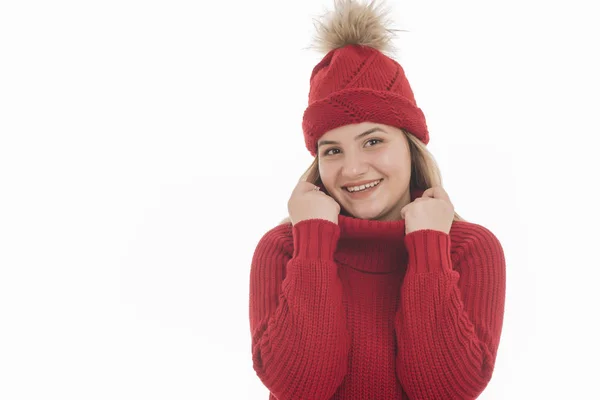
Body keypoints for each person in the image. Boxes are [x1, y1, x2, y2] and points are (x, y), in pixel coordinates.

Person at [248, 1, 506, 399]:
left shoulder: (468, 248)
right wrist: (314, 241)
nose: (352, 169)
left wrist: (428, 248)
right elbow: (300, 387)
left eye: (373, 141)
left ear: (410, 145)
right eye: (332, 150)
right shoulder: (284, 250)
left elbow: (443, 391)